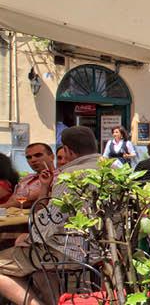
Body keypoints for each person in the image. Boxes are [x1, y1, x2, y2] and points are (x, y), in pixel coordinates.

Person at [0, 126, 101, 305]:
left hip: (69, 253)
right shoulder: (112, 170)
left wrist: (30, 237)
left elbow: (50, 222)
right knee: (37, 267)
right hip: (102, 251)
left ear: (67, 150)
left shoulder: (70, 176)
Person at [1, 144, 56, 209]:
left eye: (38, 155)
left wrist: (2, 207)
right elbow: (12, 199)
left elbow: (28, 200)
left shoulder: (57, 177)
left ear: (52, 157)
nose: (33, 160)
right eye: (29, 157)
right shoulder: (27, 178)